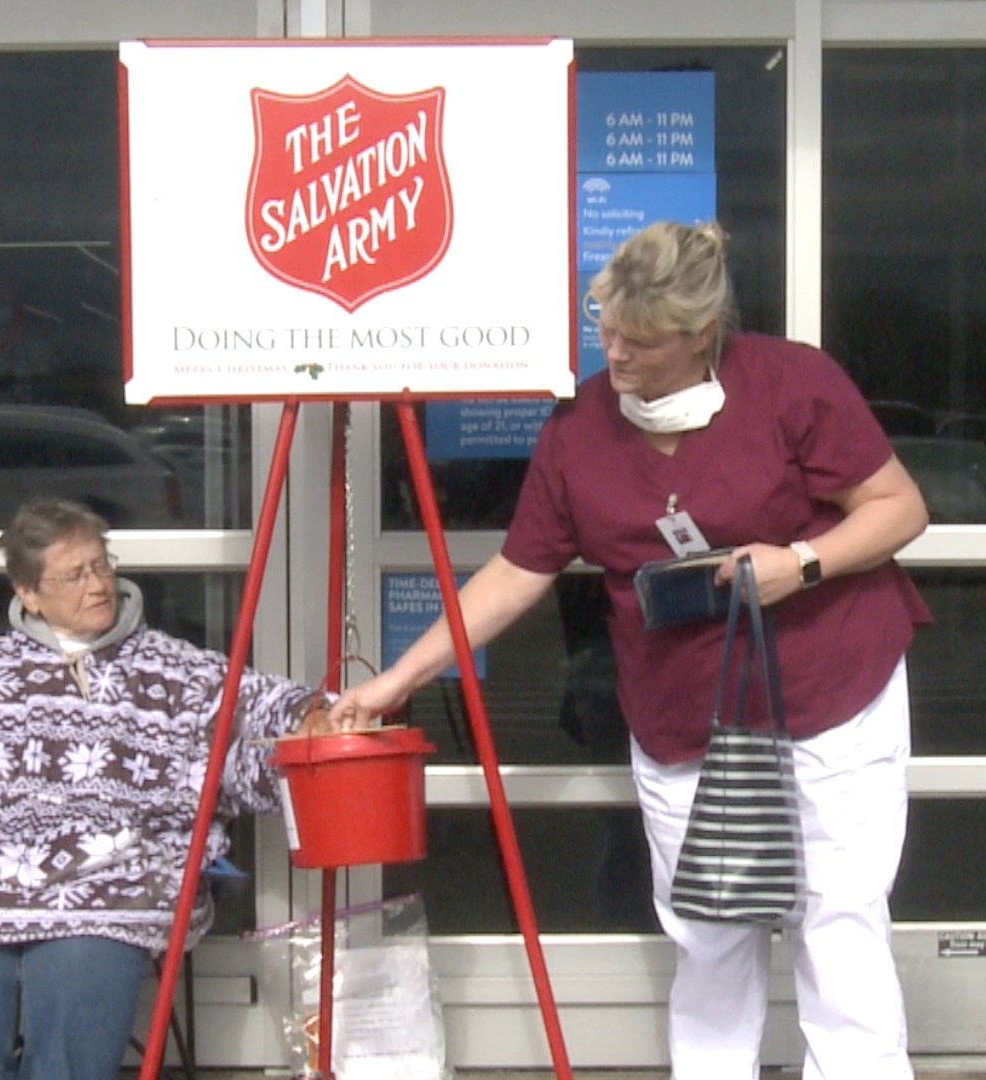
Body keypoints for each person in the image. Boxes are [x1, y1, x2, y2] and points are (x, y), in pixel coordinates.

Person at [334, 220, 931, 1080]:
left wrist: (798, 563)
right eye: (606, 326)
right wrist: (395, 679)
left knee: (839, 918)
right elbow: (516, 570)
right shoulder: (580, 428)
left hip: (830, 684)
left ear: (701, 335)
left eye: (642, 341)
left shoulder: (791, 381)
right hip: (685, 708)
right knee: (711, 928)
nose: (615, 352)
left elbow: (898, 507)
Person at [0, 498, 325, 1080]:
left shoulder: (173, 668)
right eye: (75, 575)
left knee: (72, 1027)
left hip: (104, 884)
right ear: (29, 594)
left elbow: (268, 706)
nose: (99, 584)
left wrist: (317, 717)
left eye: (102, 565)